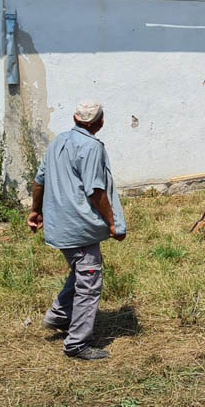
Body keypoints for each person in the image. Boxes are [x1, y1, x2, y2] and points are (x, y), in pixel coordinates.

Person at [27, 101, 126, 361]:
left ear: (75, 118)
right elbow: (96, 190)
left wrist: (35, 211)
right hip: (79, 226)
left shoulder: (58, 141)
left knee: (81, 270)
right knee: (90, 282)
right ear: (100, 123)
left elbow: (39, 181)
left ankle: (59, 315)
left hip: (60, 224)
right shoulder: (92, 147)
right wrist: (113, 222)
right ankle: (77, 344)